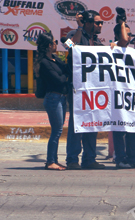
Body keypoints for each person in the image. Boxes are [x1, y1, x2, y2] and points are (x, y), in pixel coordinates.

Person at [65, 10, 106, 170]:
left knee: (92, 123)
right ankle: (72, 160)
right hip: (77, 89)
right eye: (97, 22)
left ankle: (89, 159)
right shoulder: (71, 35)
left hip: (94, 89)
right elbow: (70, 47)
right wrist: (79, 27)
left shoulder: (96, 41)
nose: (100, 25)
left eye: (101, 22)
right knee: (77, 124)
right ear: (87, 23)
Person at [110, 22, 135, 169]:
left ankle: (133, 157)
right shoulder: (111, 48)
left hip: (133, 94)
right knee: (120, 128)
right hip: (118, 94)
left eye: (130, 34)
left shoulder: (134, 53)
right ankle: (120, 158)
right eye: (126, 34)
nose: (129, 37)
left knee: (134, 126)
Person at [35, 32, 68, 171]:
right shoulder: (44, 63)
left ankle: (53, 160)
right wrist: (66, 74)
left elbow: (66, 69)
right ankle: (50, 162)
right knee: (57, 130)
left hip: (61, 97)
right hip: (53, 98)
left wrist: (71, 47)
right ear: (49, 45)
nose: (56, 44)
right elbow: (59, 79)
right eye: (54, 42)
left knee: (58, 130)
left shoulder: (54, 58)